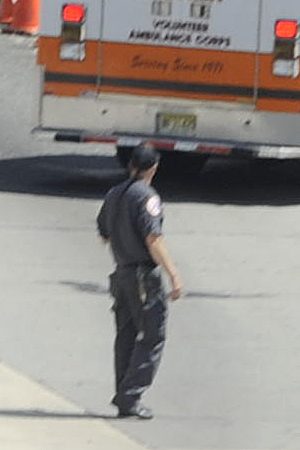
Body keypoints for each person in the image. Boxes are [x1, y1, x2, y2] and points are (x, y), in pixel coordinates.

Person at [95, 143, 183, 421]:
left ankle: (124, 394)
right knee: (153, 335)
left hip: (121, 274)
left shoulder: (114, 193)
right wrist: (173, 273)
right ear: (153, 168)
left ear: (131, 165)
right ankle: (130, 396)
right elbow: (153, 239)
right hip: (144, 276)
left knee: (126, 335)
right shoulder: (146, 196)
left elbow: (104, 233)